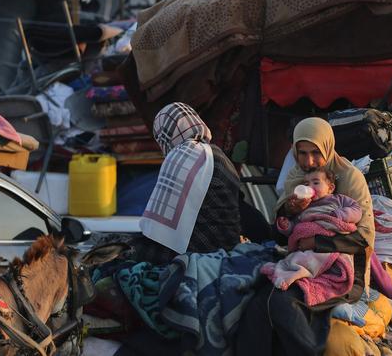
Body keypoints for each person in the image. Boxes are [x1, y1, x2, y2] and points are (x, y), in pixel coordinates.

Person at [235, 117, 375, 356]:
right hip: (303, 264)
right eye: (302, 153)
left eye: (315, 153)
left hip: (344, 271)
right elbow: (282, 238)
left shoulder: (349, 178)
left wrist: (316, 242)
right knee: (257, 302)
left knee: (281, 302)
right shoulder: (296, 178)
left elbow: (363, 240)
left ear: (327, 147)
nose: (309, 162)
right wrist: (290, 211)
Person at [135, 102, 243, 262]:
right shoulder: (218, 154)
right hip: (227, 247)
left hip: (201, 253)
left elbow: (159, 232)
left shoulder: (183, 155)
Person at [261, 167, 361, 300]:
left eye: (316, 183)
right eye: (306, 184)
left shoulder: (337, 200)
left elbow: (356, 210)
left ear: (330, 188)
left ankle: (290, 276)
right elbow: (297, 228)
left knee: (308, 260)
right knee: (295, 257)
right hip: (305, 246)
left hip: (328, 241)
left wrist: (338, 215)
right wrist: (286, 225)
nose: (310, 187)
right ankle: (281, 270)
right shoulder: (305, 206)